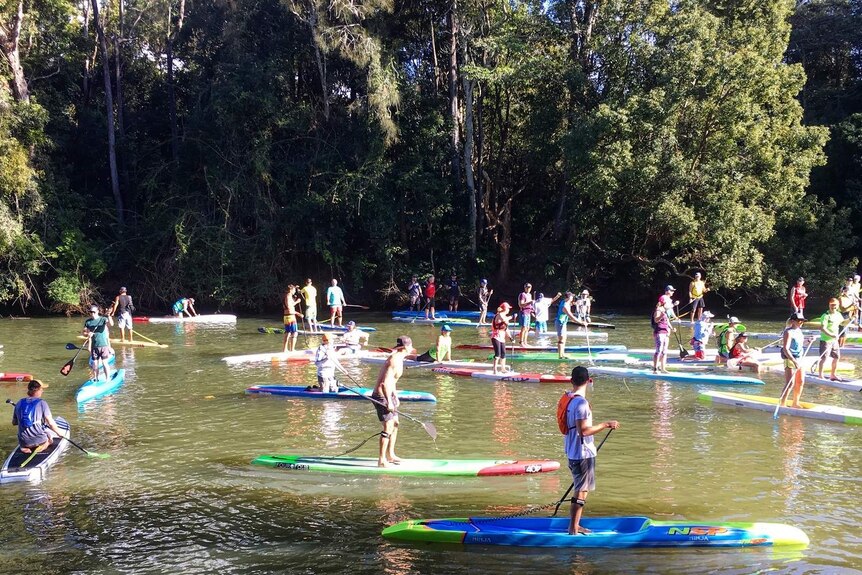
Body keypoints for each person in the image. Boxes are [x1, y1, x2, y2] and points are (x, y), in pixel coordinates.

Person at [559, 366, 620, 535]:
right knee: (581, 490)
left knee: (580, 488)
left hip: (572, 451)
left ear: (571, 381)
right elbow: (584, 431)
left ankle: (575, 526)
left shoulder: (569, 398)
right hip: (582, 453)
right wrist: (606, 424)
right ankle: (573, 529)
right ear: (588, 380)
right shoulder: (581, 403)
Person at [371, 336, 414, 467]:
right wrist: (389, 401)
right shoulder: (394, 360)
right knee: (388, 426)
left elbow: (392, 382)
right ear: (406, 347)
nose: (412, 348)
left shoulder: (400, 358)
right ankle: (381, 460)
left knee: (395, 424)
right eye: (411, 345)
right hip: (381, 395)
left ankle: (391, 455)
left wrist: (395, 396)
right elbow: (384, 383)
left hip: (390, 394)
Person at [12, 380, 64, 455]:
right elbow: (51, 423)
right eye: (42, 389)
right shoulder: (42, 403)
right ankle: (45, 444)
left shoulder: (19, 402)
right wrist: (60, 433)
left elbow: (14, 422)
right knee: (50, 438)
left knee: (24, 438)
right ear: (38, 390)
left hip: (24, 442)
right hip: (39, 440)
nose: (42, 391)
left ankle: (24, 447)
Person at [781, 312, 806, 407]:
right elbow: (786, 349)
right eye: (799, 320)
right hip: (790, 359)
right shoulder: (788, 332)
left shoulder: (799, 331)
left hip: (800, 358)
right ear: (792, 321)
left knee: (801, 381)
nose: (801, 322)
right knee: (790, 383)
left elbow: (799, 345)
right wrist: (794, 361)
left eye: (802, 321)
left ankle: (795, 403)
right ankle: (782, 404)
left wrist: (809, 341)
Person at [83, 305, 114, 381]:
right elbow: (84, 332)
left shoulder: (103, 319)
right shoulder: (88, 322)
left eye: (94, 312)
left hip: (103, 345)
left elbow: (111, 324)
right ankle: (96, 379)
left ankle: (107, 379)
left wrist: (109, 315)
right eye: (91, 312)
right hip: (94, 346)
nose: (92, 313)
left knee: (104, 363)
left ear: (97, 312)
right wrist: (88, 334)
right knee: (94, 364)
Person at [817, 298, 845, 381]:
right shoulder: (825, 316)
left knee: (837, 357)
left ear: (838, 305)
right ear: (829, 305)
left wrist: (851, 319)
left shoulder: (838, 314)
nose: (833, 306)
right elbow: (823, 328)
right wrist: (832, 335)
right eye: (832, 305)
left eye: (835, 305)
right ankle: (820, 375)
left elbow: (843, 323)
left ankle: (833, 375)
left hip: (834, 341)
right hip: (826, 340)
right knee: (824, 358)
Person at [651, 302, 672, 373]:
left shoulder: (665, 311)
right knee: (658, 351)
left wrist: (672, 328)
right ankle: (655, 369)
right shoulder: (658, 311)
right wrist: (661, 315)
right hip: (659, 333)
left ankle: (663, 368)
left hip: (666, 333)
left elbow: (667, 321)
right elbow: (656, 320)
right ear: (664, 304)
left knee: (664, 351)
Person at [491, 302, 513, 373]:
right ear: (505, 309)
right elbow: (504, 319)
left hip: (502, 338)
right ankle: (495, 370)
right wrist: (512, 317)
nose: (509, 310)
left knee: (503, 353)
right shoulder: (499, 315)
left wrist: (510, 337)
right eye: (508, 308)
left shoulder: (505, 317)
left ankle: (503, 368)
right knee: (497, 354)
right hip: (496, 337)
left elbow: (506, 329)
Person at [556, 292, 579, 359]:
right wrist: (581, 322)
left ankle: (563, 354)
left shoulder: (565, 302)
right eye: (571, 296)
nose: (572, 298)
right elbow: (571, 317)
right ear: (568, 297)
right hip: (560, 323)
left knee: (564, 338)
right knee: (561, 340)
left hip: (563, 323)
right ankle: (560, 356)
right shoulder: (565, 306)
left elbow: (569, 303)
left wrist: (575, 304)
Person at [281, 285, 303, 353]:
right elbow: (289, 306)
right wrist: (297, 302)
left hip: (289, 316)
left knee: (288, 333)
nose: (295, 292)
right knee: (294, 333)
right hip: (290, 317)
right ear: (290, 290)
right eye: (294, 290)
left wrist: (298, 313)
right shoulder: (288, 296)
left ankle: (286, 350)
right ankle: (291, 350)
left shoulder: (288, 296)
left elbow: (290, 307)